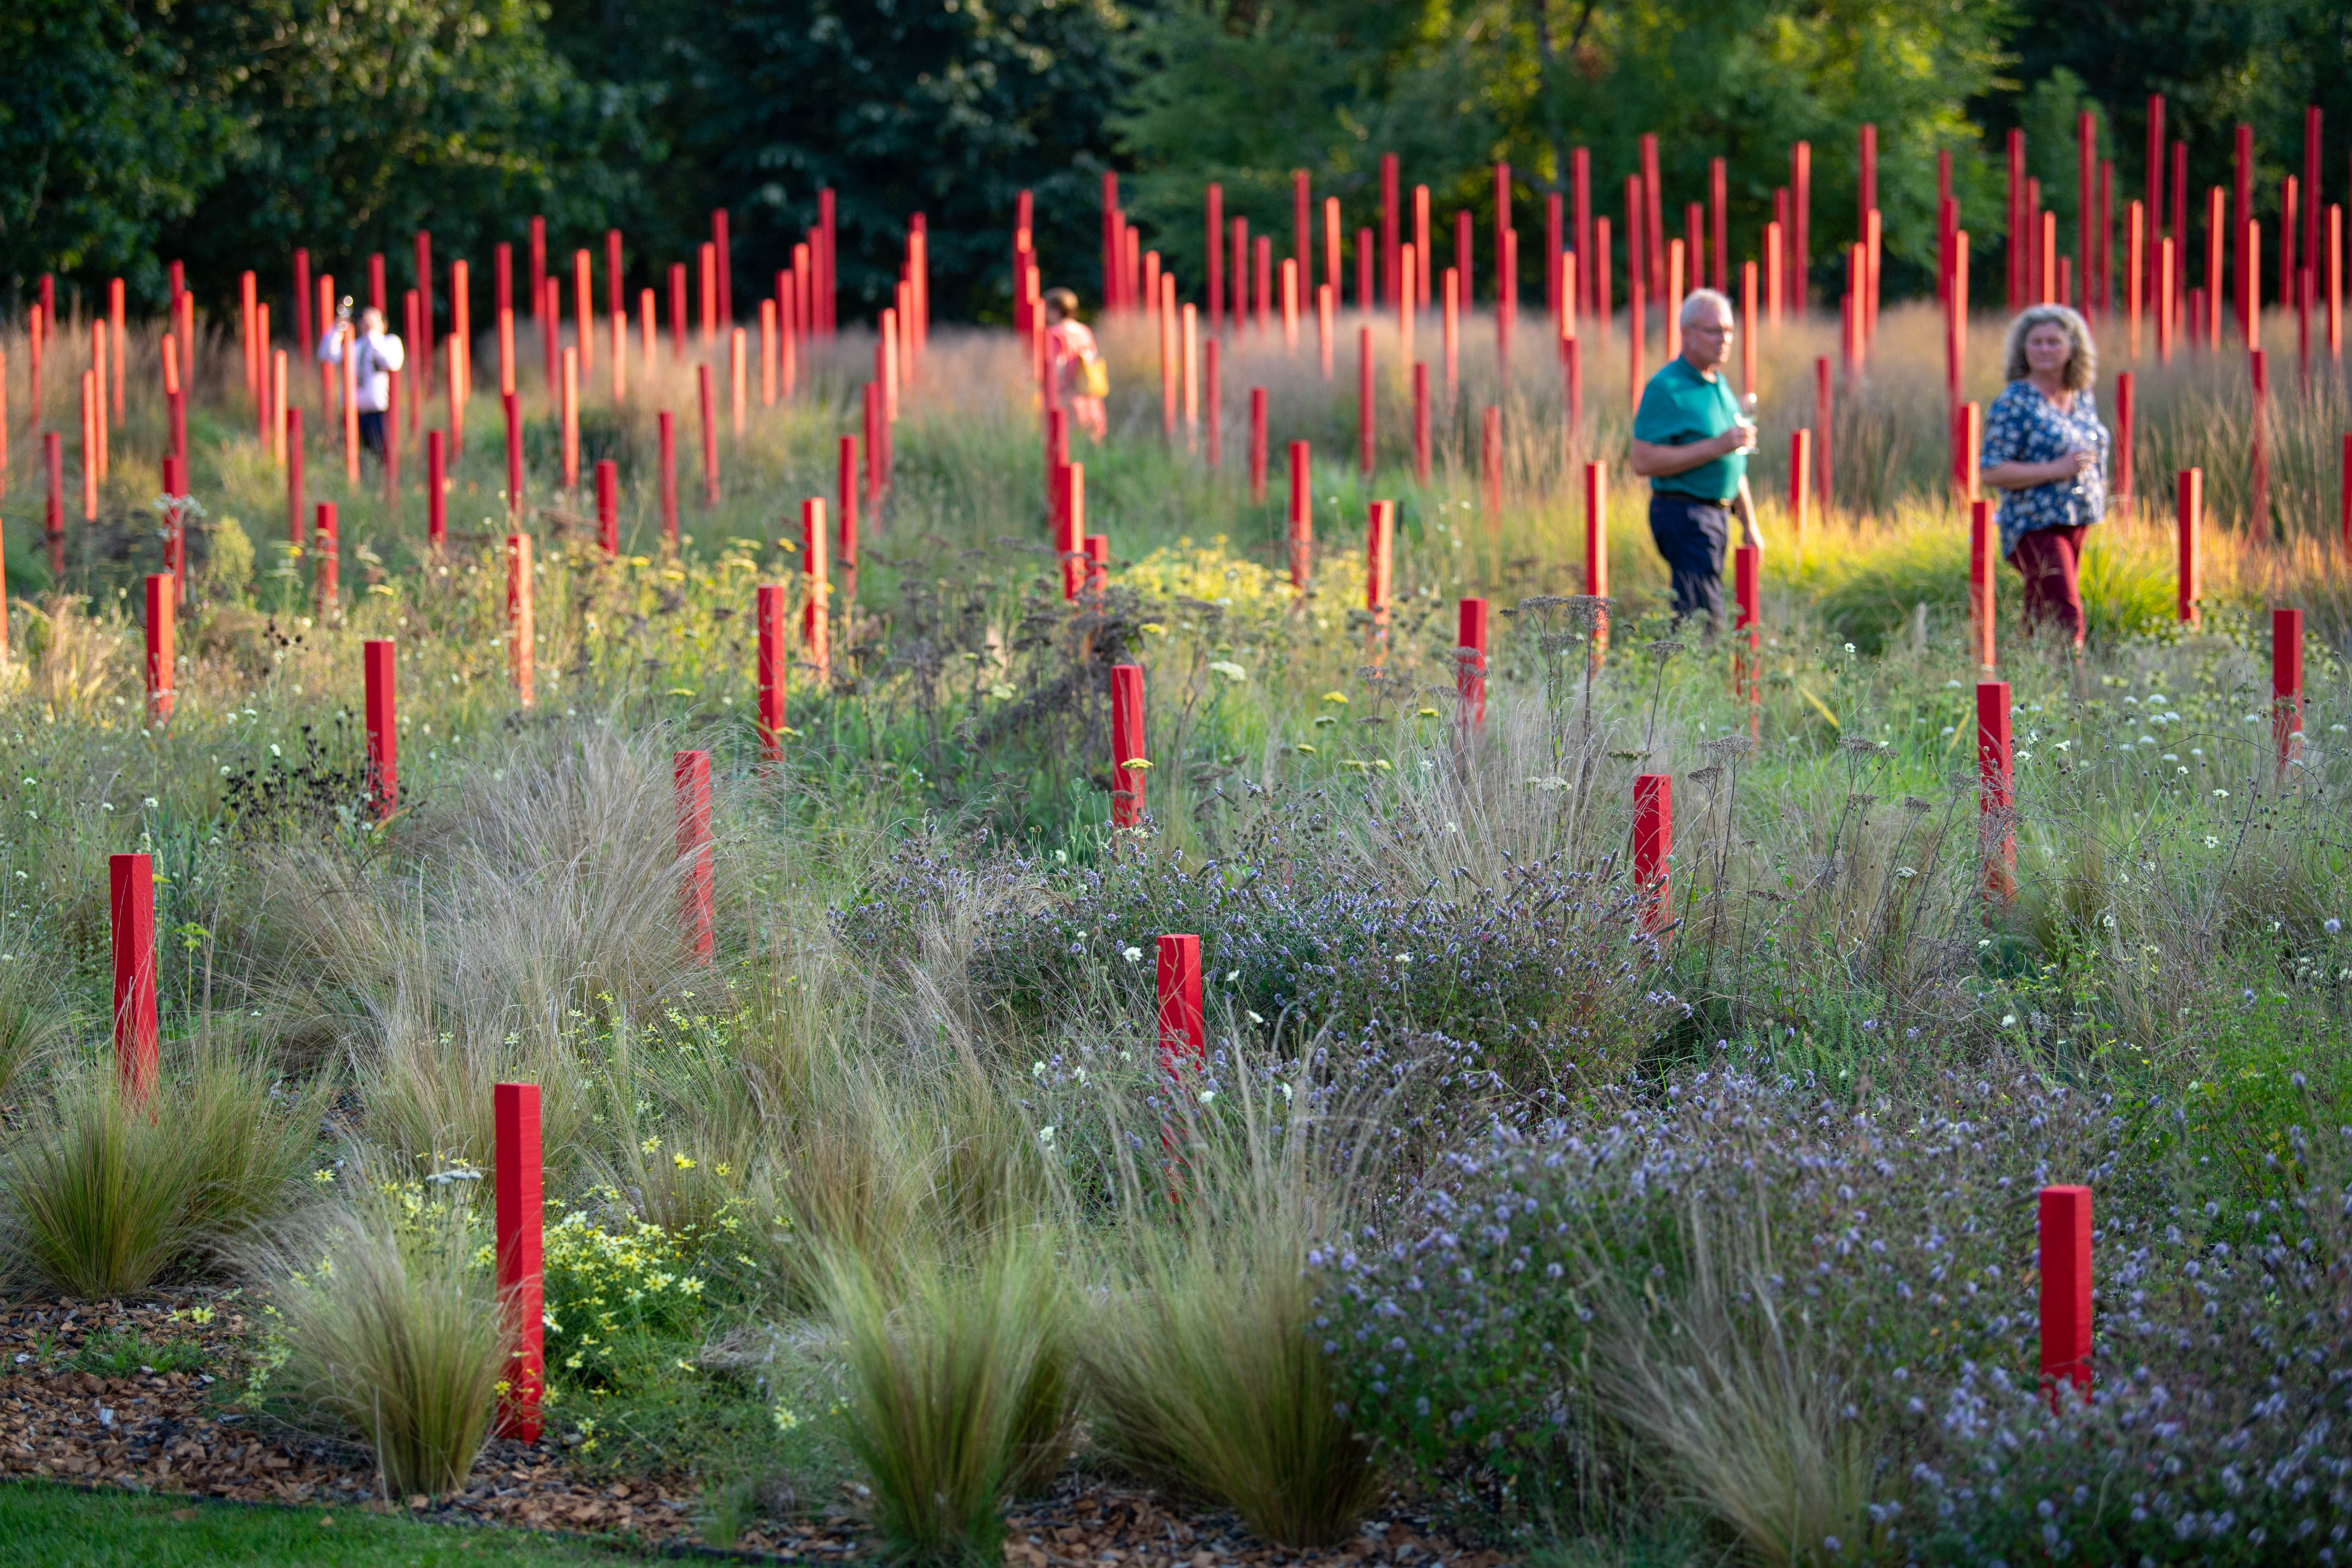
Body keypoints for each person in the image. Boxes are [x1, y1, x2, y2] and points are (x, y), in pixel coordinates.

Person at [1629, 289, 1762, 627]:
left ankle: (1695, 672)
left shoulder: (1719, 384)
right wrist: (1716, 447)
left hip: (1715, 516)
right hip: (1685, 513)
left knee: (1704, 613)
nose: (1725, 339)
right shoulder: (1667, 387)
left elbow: (1734, 462)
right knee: (1702, 621)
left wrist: (1750, 524)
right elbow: (1642, 461)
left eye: (1730, 331)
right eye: (1715, 330)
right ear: (1687, 333)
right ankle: (1692, 676)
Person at [1980, 304, 2108, 647]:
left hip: (2076, 520)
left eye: (2054, 341)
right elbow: (1991, 469)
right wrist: (2057, 469)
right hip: (2034, 525)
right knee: (2066, 615)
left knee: (2041, 615)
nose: (2044, 349)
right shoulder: (2015, 402)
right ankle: (2075, 691)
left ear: (2073, 348)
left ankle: (2026, 687)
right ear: (2023, 349)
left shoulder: (2081, 397)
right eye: (2036, 342)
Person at [317, 302, 406, 466]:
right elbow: (326, 354)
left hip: (379, 414)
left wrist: (373, 334)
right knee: (353, 460)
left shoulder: (390, 342)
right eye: (364, 320)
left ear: (383, 324)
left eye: (372, 319)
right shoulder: (354, 346)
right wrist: (338, 329)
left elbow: (391, 362)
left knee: (381, 459)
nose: (366, 323)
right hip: (353, 414)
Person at [1042, 288, 1108, 440]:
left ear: (1056, 310)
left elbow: (1058, 365)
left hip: (1066, 394)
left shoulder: (1055, 334)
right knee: (1091, 440)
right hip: (1088, 392)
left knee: (1067, 442)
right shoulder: (1084, 331)